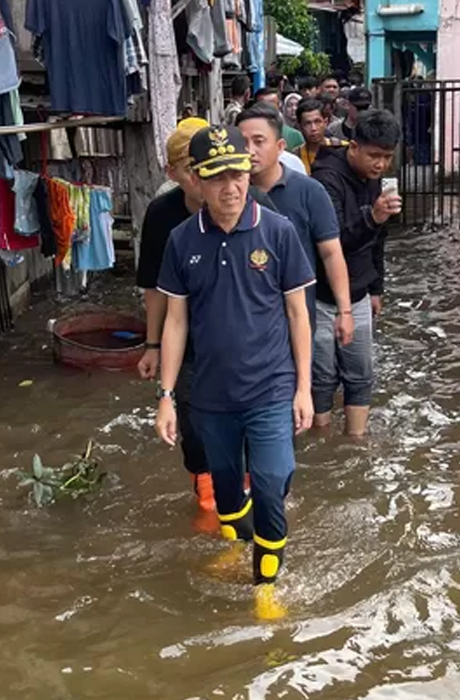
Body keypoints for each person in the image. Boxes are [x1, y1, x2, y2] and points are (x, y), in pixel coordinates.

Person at [155, 124, 316, 620]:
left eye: (239, 174)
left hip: (269, 388)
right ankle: (239, 542)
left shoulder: (278, 232)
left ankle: (265, 587)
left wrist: (304, 387)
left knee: (270, 483)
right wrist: (166, 395)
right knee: (226, 492)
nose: (231, 187)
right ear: (197, 182)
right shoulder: (182, 242)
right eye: (218, 177)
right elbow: (176, 320)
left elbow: (297, 313)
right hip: (209, 396)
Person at [137, 118, 279, 518]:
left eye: (228, 173)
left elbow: (285, 295)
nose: (218, 184)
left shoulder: (259, 210)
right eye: (201, 172)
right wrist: (152, 347)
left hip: (250, 348)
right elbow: (155, 290)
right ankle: (210, 508)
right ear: (182, 174)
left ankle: (256, 501)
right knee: (197, 431)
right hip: (193, 347)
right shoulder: (165, 220)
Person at [309, 110, 402, 436]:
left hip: (360, 292)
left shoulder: (375, 180)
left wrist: (377, 287)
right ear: (354, 147)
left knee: (360, 374)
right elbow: (331, 242)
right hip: (322, 295)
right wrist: (372, 217)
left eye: (387, 157)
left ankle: (355, 443)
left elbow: (379, 241)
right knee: (321, 376)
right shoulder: (326, 180)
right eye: (374, 156)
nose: (380, 165)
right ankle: (321, 439)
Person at [237, 103, 354, 345]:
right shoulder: (230, 196)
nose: (250, 151)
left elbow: (331, 253)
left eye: (259, 141)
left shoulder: (309, 191)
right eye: (243, 143)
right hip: (243, 322)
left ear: (280, 146)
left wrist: (344, 311)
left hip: (295, 319)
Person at [293, 98, 347, 175]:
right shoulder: (295, 156)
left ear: (325, 122)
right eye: (307, 123)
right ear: (299, 126)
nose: (313, 128)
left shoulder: (343, 148)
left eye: (317, 122)